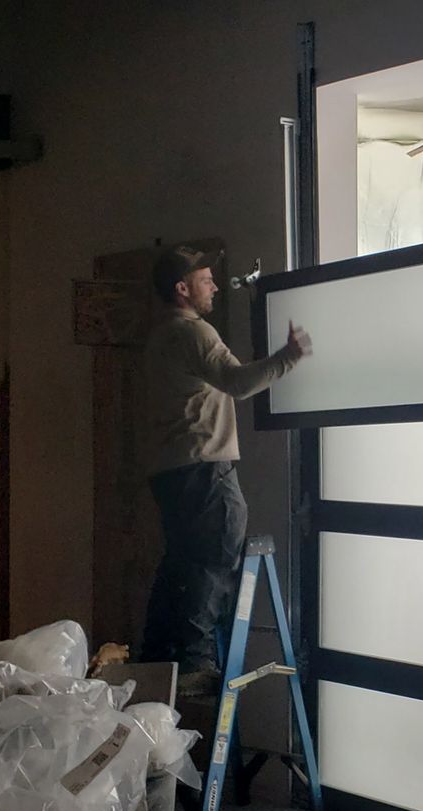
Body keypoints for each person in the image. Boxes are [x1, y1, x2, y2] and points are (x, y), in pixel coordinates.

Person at [141, 245, 310, 697]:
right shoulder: (194, 332)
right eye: (205, 279)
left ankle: (155, 659)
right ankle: (194, 664)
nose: (215, 286)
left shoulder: (159, 335)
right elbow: (237, 382)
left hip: (174, 472)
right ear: (183, 288)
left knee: (181, 563)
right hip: (204, 469)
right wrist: (289, 356)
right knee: (212, 558)